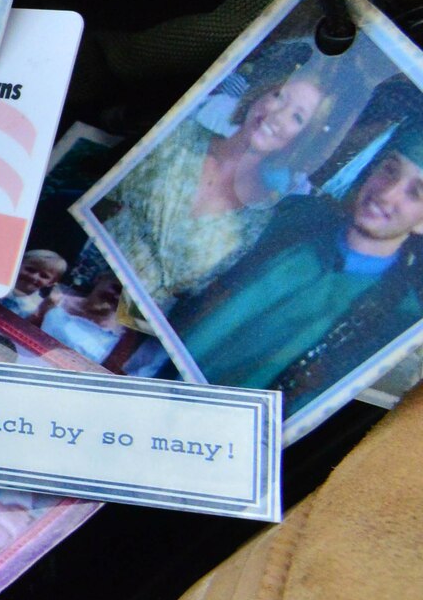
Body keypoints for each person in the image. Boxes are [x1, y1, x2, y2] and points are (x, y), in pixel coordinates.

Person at [169, 124, 423, 406]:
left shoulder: (398, 318)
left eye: (416, 192)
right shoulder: (295, 218)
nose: (388, 193)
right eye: (390, 170)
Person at [96, 70, 331, 306]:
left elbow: (193, 299)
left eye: (297, 117)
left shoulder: (260, 219)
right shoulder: (179, 136)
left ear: (301, 140)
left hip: (130, 322)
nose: (277, 115)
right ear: (259, 96)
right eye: (279, 96)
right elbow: (94, 193)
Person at [2, 249, 67, 320]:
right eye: (30, 270)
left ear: (51, 283)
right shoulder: (0, 284)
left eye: (44, 276)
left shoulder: (37, 306)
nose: (34, 277)